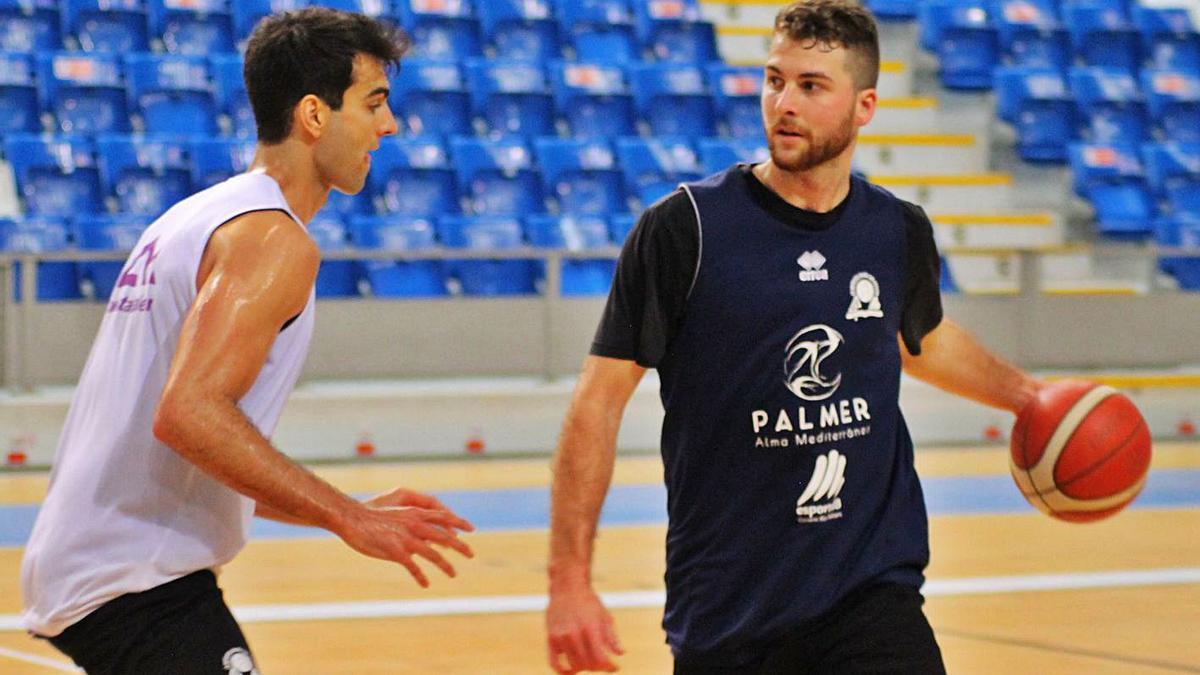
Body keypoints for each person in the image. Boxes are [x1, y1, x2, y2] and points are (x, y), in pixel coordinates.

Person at [545, 1, 1044, 672]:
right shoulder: (683, 230)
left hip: (871, 594)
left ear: (864, 106)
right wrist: (569, 580)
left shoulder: (895, 230)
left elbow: (918, 338)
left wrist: (1031, 397)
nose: (784, 102)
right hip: (729, 612)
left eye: (811, 86)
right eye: (775, 79)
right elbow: (597, 401)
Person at [20, 8, 474, 673]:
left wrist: (337, 510)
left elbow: (202, 444)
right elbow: (189, 414)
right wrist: (349, 516)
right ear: (314, 114)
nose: (389, 124)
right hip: (134, 581)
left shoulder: (198, 216)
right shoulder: (272, 238)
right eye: (374, 103)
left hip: (106, 572)